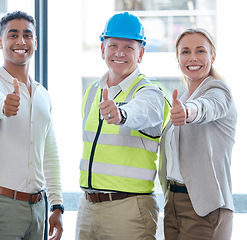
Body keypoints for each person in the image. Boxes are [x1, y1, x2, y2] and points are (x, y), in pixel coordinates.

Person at [76, 11, 169, 240]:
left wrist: (121, 114)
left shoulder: (149, 92)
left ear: (141, 53)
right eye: (113, 45)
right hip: (88, 207)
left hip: (128, 211)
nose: (119, 53)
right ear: (102, 49)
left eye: (129, 47)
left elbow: (143, 111)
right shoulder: (92, 92)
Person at [0, 10, 63, 240]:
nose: (21, 41)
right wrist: (4, 105)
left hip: (38, 208)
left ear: (35, 41)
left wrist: (56, 205)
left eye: (27, 35)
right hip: (0, 206)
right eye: (13, 35)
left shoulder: (43, 94)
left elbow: (49, 153)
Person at [159, 28, 237, 240]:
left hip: (203, 207)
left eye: (200, 51)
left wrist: (187, 112)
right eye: (185, 52)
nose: (192, 57)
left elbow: (206, 107)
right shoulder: (182, 98)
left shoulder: (219, 91)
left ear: (212, 56)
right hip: (174, 203)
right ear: (177, 59)